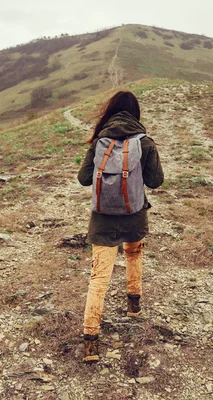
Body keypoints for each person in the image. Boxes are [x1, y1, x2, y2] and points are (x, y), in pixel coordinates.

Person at [77, 90, 164, 362]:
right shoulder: (145, 142)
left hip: (103, 218)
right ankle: (133, 305)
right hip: (135, 214)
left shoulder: (100, 141)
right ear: (135, 113)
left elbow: (83, 179)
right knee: (134, 254)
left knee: (99, 278)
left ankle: (91, 341)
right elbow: (155, 182)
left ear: (111, 112)